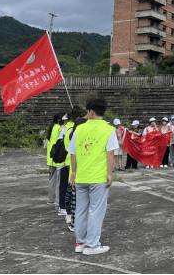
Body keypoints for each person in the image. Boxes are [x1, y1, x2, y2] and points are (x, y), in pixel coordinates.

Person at [68, 98, 118, 255]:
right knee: (96, 211)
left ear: (91, 112)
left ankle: (80, 243)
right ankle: (92, 245)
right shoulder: (109, 130)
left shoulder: (79, 129)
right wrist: (110, 173)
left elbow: (73, 152)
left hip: (81, 176)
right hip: (98, 177)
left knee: (81, 210)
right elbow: (110, 153)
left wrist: (74, 172)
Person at [65, 116, 88, 232]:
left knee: (78, 204)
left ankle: (76, 224)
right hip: (76, 176)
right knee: (77, 204)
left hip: (79, 175)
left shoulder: (75, 136)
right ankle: (75, 224)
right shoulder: (74, 138)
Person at [53, 113, 71, 215]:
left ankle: (59, 205)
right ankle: (61, 207)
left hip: (63, 161)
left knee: (61, 185)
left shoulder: (63, 129)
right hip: (65, 162)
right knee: (63, 185)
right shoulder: (66, 130)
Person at [46, 112, 64, 205]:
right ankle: (52, 198)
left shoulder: (52, 127)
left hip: (51, 158)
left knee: (52, 179)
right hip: (56, 158)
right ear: (59, 120)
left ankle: (52, 197)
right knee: (54, 180)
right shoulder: (58, 128)